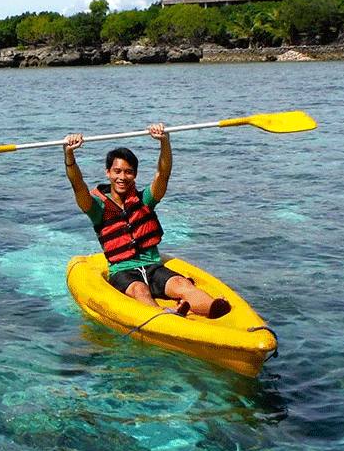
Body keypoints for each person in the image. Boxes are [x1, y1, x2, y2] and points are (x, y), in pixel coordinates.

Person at [63, 123, 231, 319]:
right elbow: (78, 185)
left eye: (128, 172)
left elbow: (163, 173)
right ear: (108, 173)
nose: (122, 177)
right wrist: (69, 155)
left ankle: (213, 307)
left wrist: (164, 141)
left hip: (153, 267)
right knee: (140, 291)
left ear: (134, 175)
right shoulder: (97, 209)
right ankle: (166, 317)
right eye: (117, 171)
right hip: (123, 272)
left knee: (182, 284)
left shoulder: (145, 201)